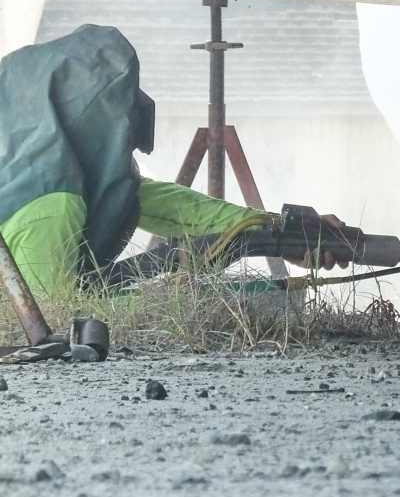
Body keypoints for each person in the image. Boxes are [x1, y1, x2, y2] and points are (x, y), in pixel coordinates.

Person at [0, 24, 342, 299]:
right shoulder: (47, 202)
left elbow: (171, 207)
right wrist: (185, 299)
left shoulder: (39, 169)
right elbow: (52, 324)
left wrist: (281, 231)